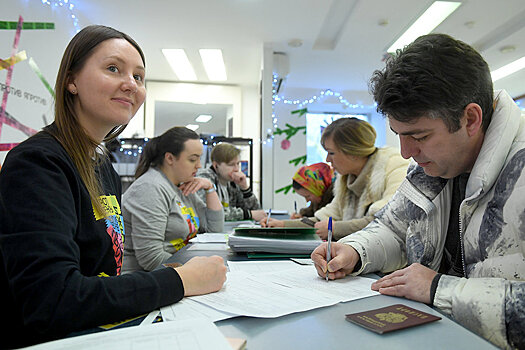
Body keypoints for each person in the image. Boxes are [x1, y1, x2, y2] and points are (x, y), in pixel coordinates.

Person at [0, 25, 226, 349]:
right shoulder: (37, 163)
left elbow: (104, 267)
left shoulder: (101, 164)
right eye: (113, 69)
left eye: (139, 76)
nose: (130, 84)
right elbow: (52, 300)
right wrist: (180, 280)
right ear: (71, 81)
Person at [311, 34, 525, 349]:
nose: (406, 151)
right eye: (399, 135)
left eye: (420, 136)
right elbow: (394, 228)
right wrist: (355, 251)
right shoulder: (431, 168)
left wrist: (438, 289)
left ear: (470, 119)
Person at [263, 118, 409, 241]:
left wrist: (334, 228)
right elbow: (322, 220)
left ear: (353, 152)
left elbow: (386, 221)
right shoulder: (345, 180)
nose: (327, 159)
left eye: (331, 153)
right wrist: (282, 225)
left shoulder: (394, 167)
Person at [122, 127, 224, 273]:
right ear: (169, 158)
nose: (199, 166)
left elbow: (215, 232)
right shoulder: (150, 188)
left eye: (199, 159)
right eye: (192, 159)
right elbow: (150, 258)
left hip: (173, 271)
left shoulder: (182, 186)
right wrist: (196, 272)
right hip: (142, 277)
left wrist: (209, 188)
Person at [196, 142, 265, 221]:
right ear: (216, 166)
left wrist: (245, 189)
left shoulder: (232, 182)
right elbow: (210, 213)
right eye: (231, 165)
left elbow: (257, 212)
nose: (236, 169)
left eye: (238, 163)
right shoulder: (205, 178)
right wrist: (247, 214)